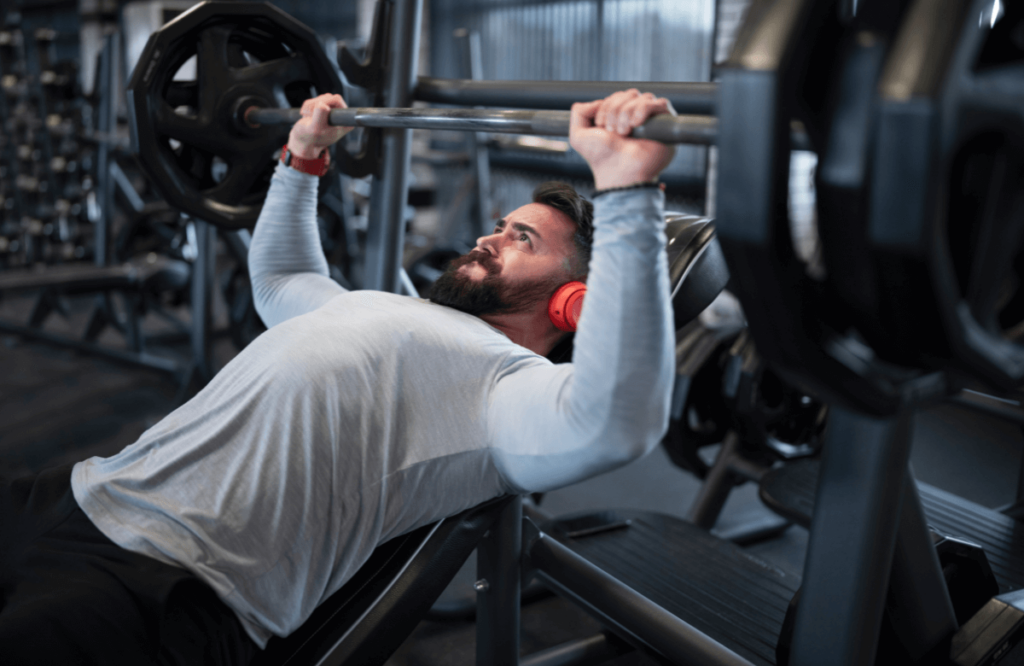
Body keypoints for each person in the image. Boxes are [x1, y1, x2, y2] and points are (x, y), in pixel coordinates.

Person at [0, 89, 677, 664]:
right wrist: (301, 158)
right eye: (501, 224)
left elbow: (614, 423)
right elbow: (282, 279)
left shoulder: (510, 389)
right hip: (79, 492)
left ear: (575, 302)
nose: (489, 236)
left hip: (161, 585)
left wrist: (627, 193)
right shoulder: (383, 308)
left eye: (522, 239)